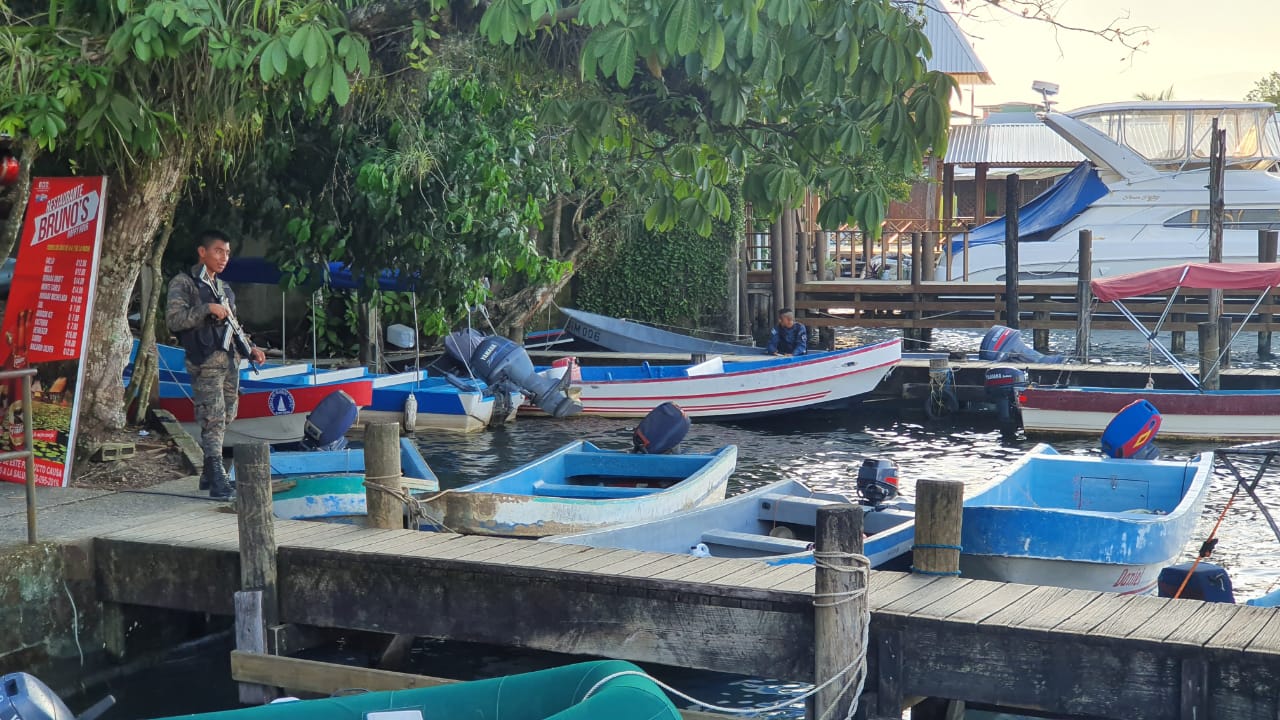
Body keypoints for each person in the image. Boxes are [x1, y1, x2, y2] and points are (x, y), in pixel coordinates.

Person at [166, 230, 266, 498]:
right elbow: (174, 321)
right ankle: (216, 474)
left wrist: (250, 348)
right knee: (214, 418)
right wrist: (206, 310)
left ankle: (208, 476)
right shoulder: (184, 283)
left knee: (227, 415)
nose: (224, 257)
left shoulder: (223, 288)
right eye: (219, 251)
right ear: (203, 252)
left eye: (227, 252)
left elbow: (234, 326)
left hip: (230, 362)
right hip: (205, 361)